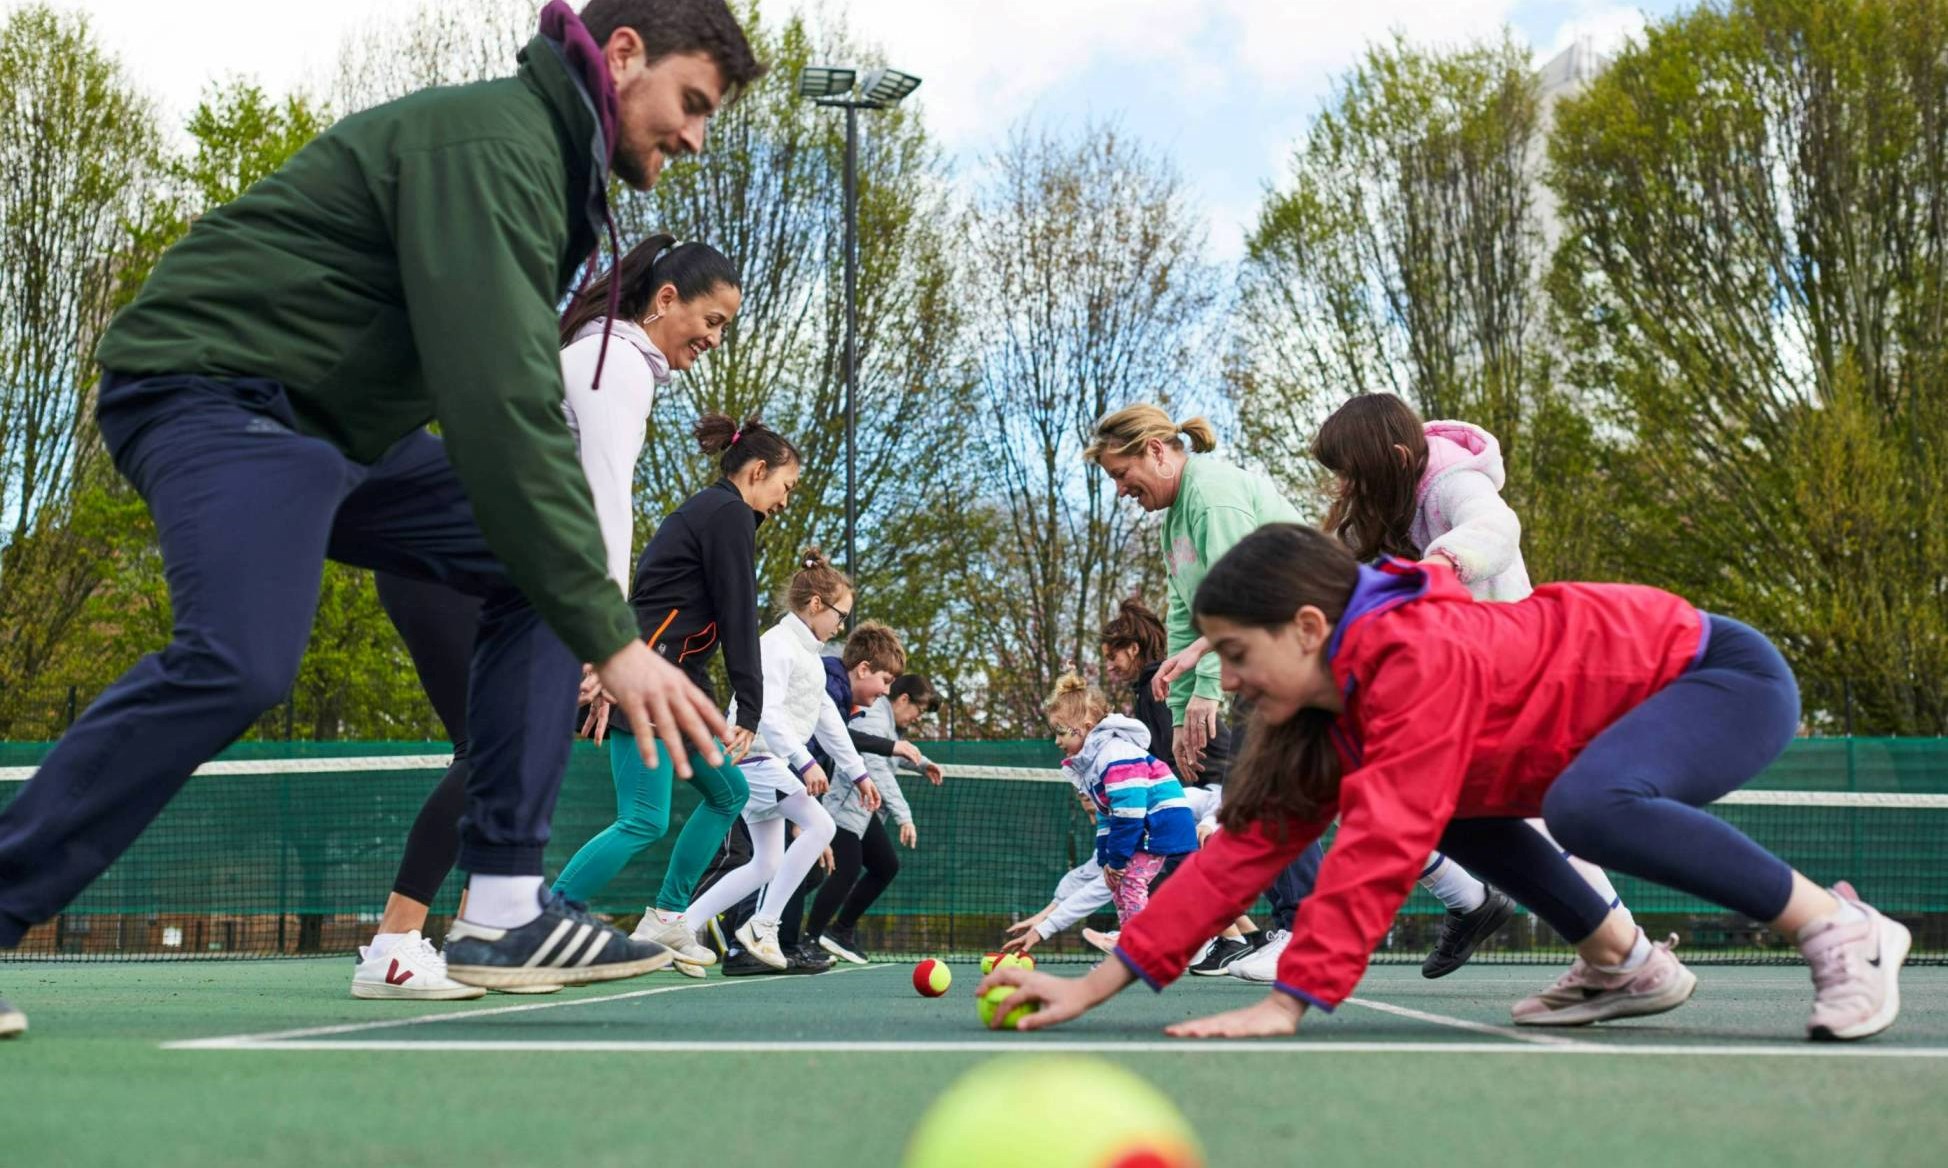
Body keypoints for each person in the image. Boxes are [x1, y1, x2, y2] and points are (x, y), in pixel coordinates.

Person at [0, 1, 766, 1016]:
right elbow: (501, 404)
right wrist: (612, 639)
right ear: (623, 56)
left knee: (539, 566)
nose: (696, 137)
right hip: (217, 386)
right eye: (692, 103)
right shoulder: (498, 147)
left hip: (337, 429)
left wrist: (586, 607)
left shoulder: (548, 166)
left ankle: (500, 904)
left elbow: (510, 413)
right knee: (242, 658)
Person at [979, 524, 1909, 1043]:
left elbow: (1385, 838)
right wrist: (1092, 987)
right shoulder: (1332, 714)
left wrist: (1287, 999)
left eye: (1233, 653)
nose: (1224, 680)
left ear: (1307, 627)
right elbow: (1244, 854)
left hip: (1716, 677)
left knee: (1582, 807)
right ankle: (1627, 963)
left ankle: (1841, 929)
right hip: (1615, 726)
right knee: (1464, 808)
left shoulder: (1414, 656)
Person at [352, 236, 744, 999]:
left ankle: (480, 939)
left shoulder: (612, 361)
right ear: (665, 299)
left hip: (469, 569)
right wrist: (606, 638)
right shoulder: (616, 362)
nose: (714, 338)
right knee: (491, 752)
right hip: (452, 568)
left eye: (726, 327)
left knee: (500, 755)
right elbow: (604, 501)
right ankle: (395, 946)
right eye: (712, 317)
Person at [1086, 404, 1503, 983]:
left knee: (1278, 781)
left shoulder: (1212, 495)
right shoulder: (1174, 520)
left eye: (1119, 472)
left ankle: (1300, 929)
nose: (1119, 488)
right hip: (1272, 654)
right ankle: (1471, 899)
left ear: (1156, 451)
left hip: (1306, 649)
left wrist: (1208, 685)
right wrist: (1184, 713)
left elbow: (1244, 593)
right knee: (1362, 787)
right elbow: (1187, 613)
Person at [1312, 391, 1640, 977]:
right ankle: (1489, 905)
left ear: (1391, 456)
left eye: (1352, 473)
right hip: (1453, 677)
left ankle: (1625, 949)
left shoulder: (1450, 479)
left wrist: (1439, 567)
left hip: (1514, 672)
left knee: (1536, 821)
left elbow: (1497, 526)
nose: (1344, 488)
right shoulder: (1375, 508)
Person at [553, 413, 801, 974]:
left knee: (728, 793)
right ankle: (546, 916)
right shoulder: (728, 514)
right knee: (643, 817)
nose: (785, 501)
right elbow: (738, 614)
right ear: (758, 471)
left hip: (668, 680)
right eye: (785, 487)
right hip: (645, 678)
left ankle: (666, 916)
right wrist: (750, 706)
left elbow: (696, 622)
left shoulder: (717, 513)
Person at [676, 550, 859, 969]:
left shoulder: (808, 656)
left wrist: (858, 772)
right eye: (840, 614)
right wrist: (805, 762)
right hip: (755, 759)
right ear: (816, 605)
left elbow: (828, 717)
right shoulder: (777, 646)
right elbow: (767, 712)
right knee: (821, 825)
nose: (840, 624)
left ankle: (682, 928)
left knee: (766, 863)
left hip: (768, 764)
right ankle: (763, 927)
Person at [1098, 597, 1260, 973]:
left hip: (1225, 785)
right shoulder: (1147, 688)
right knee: (1175, 852)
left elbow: (1166, 762)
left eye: (1113, 656)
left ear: (1133, 648)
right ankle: (1239, 937)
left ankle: (1220, 937)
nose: (1109, 665)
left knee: (1160, 841)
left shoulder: (1158, 687)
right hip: (1209, 786)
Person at [811, 666, 943, 964]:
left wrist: (924, 764)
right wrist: (904, 816)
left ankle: (838, 931)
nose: (917, 719)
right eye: (918, 711)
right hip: (842, 805)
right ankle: (808, 937)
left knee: (884, 865)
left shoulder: (890, 724)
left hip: (861, 810)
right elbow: (873, 764)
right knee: (841, 870)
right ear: (903, 699)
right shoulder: (875, 715)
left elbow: (893, 752)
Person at [1047, 675, 1199, 929]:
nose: (1057, 741)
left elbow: (1129, 815)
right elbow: (1108, 816)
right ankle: (1128, 941)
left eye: (1060, 732)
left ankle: (1137, 946)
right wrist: (1107, 859)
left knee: (1130, 880)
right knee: (1117, 883)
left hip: (1158, 824)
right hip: (1143, 825)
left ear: (1084, 726)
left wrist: (1117, 861)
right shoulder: (1095, 765)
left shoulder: (1114, 755)